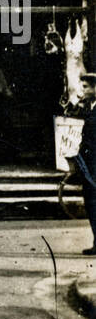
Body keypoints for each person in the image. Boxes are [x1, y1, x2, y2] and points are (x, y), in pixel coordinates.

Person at [75, 73, 96, 256]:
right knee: (91, 204)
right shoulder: (89, 107)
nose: (83, 91)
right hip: (89, 164)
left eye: (86, 87)